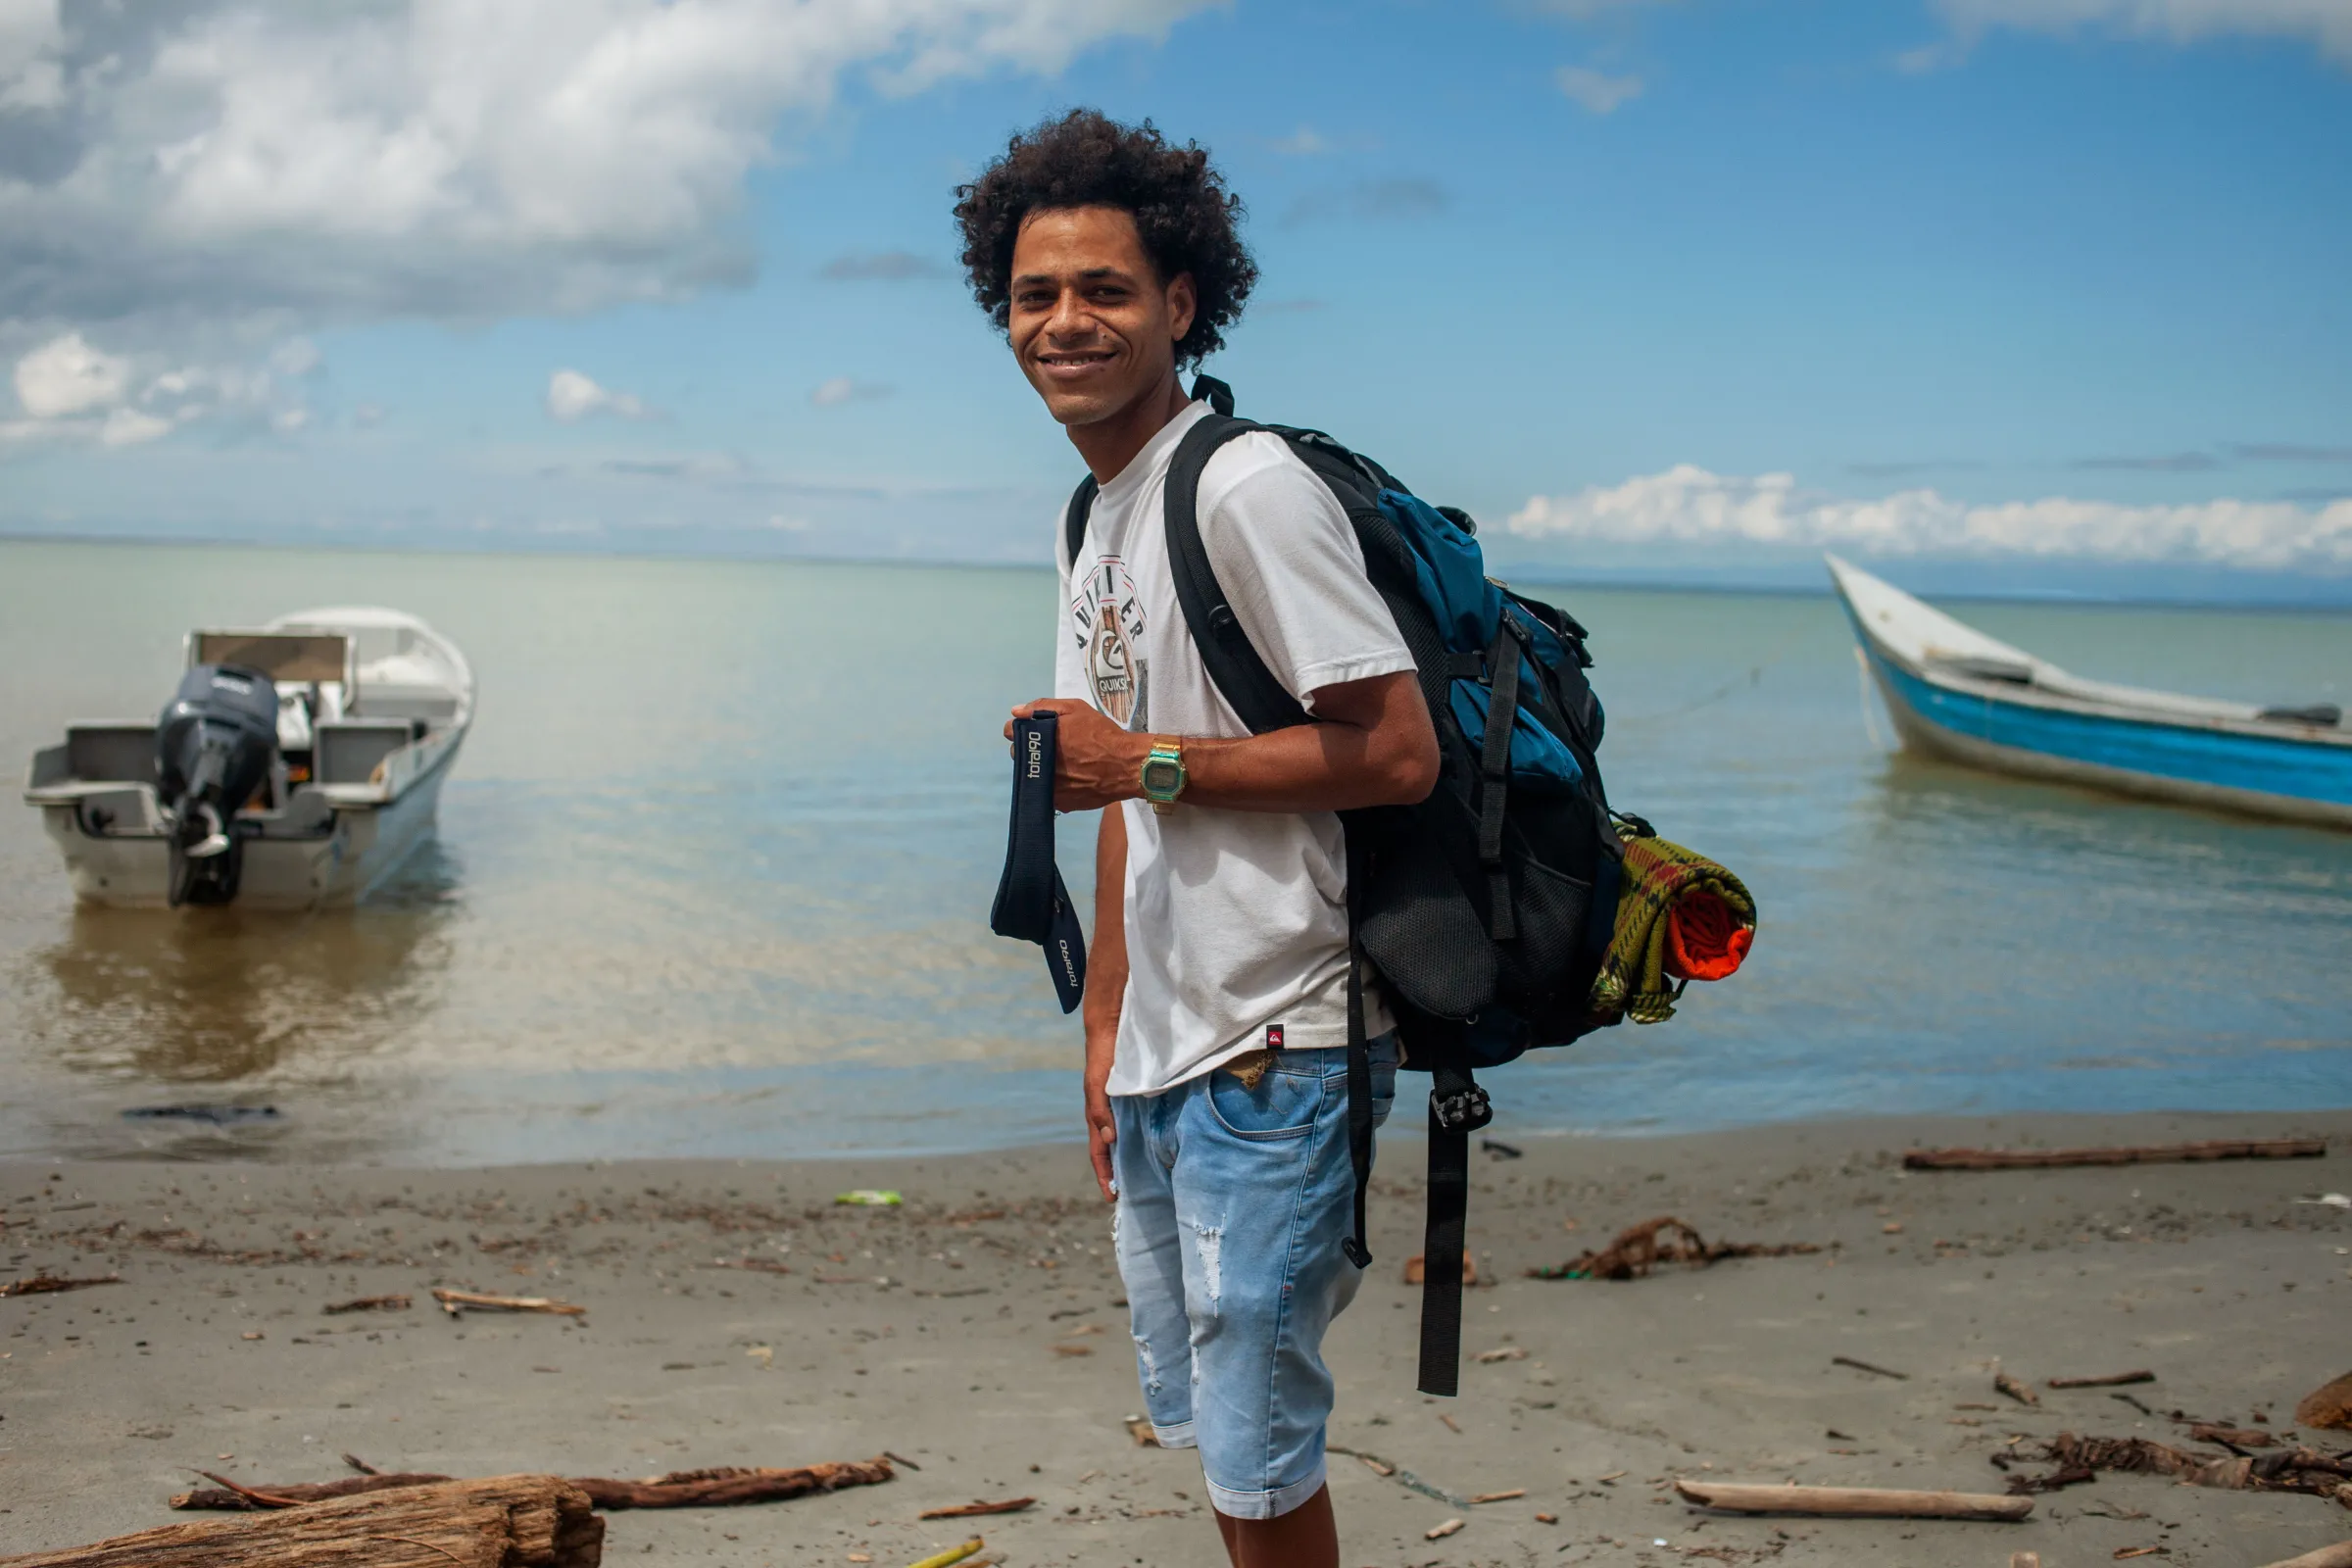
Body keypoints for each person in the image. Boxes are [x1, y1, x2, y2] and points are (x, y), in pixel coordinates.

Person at [956, 111, 1441, 1568]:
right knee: (1223, 1435)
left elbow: (1396, 752)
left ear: (1181, 302)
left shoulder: (1242, 487)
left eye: (1104, 289)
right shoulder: (1094, 512)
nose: (1065, 323)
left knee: (1259, 1442)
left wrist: (1147, 759)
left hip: (1282, 1033)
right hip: (1173, 1038)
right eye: (1035, 295)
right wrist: (1104, 1032)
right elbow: (1113, 794)